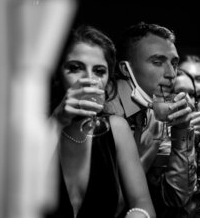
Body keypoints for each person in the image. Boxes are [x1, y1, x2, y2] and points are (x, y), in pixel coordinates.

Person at [47, 25, 156, 218]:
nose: (89, 79)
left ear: (108, 81)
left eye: (99, 71)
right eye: (75, 68)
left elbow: (142, 204)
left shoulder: (116, 128)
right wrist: (57, 121)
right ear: (57, 75)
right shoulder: (35, 128)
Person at [105, 22, 200, 218]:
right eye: (157, 62)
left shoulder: (155, 119)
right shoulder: (99, 113)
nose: (171, 74)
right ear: (126, 69)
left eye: (174, 63)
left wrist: (182, 130)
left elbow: (176, 198)